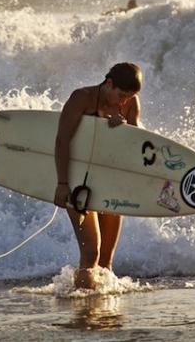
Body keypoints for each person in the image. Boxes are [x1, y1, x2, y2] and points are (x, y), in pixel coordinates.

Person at [53, 62, 142, 289]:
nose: (124, 102)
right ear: (109, 83)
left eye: (128, 97)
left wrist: (122, 131)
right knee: (91, 254)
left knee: (105, 261)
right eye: (121, 95)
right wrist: (62, 183)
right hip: (77, 179)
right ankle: (82, 302)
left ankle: (102, 313)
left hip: (109, 179)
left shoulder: (130, 103)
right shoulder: (81, 98)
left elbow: (136, 144)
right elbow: (62, 141)